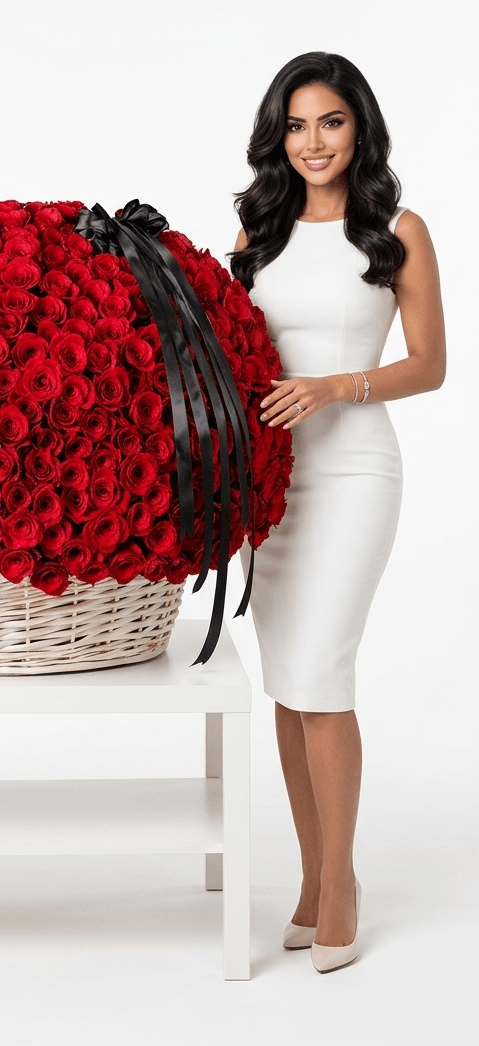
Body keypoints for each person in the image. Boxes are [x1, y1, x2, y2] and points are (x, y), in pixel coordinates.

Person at [230, 51, 446, 972]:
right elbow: (236, 353)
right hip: (276, 480)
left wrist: (334, 386)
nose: (312, 141)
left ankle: (344, 882)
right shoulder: (259, 231)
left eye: (330, 121)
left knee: (321, 668)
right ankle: (313, 876)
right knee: (288, 680)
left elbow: (430, 364)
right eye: (295, 125)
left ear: (360, 127)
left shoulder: (396, 230)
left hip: (355, 470)